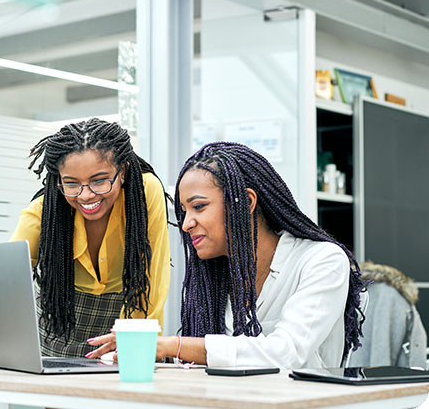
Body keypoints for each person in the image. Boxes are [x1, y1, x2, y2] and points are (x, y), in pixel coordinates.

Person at [0, 118, 171, 361]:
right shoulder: (45, 210)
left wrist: (138, 337)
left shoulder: (145, 192)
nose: (86, 195)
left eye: (99, 180)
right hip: (61, 320)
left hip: (125, 321)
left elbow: (153, 276)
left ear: (123, 171)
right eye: (71, 183)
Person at [88, 141, 365, 368]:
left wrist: (174, 345)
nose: (186, 224)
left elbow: (286, 353)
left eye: (198, 207)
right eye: (184, 212)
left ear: (245, 202)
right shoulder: (217, 273)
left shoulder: (322, 260)